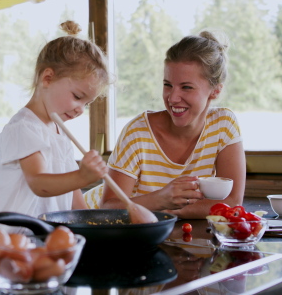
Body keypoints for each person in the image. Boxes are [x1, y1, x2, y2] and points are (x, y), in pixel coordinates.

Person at [84, 30, 245, 219]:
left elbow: (232, 202)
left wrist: (169, 210)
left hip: (158, 226)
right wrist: (161, 199)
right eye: (168, 85)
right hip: (95, 222)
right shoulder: (137, 132)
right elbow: (108, 207)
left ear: (215, 91)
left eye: (186, 87)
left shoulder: (223, 125)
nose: (173, 98)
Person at [0, 21, 110, 217]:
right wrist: (82, 176)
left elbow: (74, 195)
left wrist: (92, 224)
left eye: (87, 103)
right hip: (10, 239)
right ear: (47, 78)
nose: (81, 110)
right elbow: (39, 183)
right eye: (77, 96)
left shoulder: (60, 133)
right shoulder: (23, 127)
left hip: (44, 239)